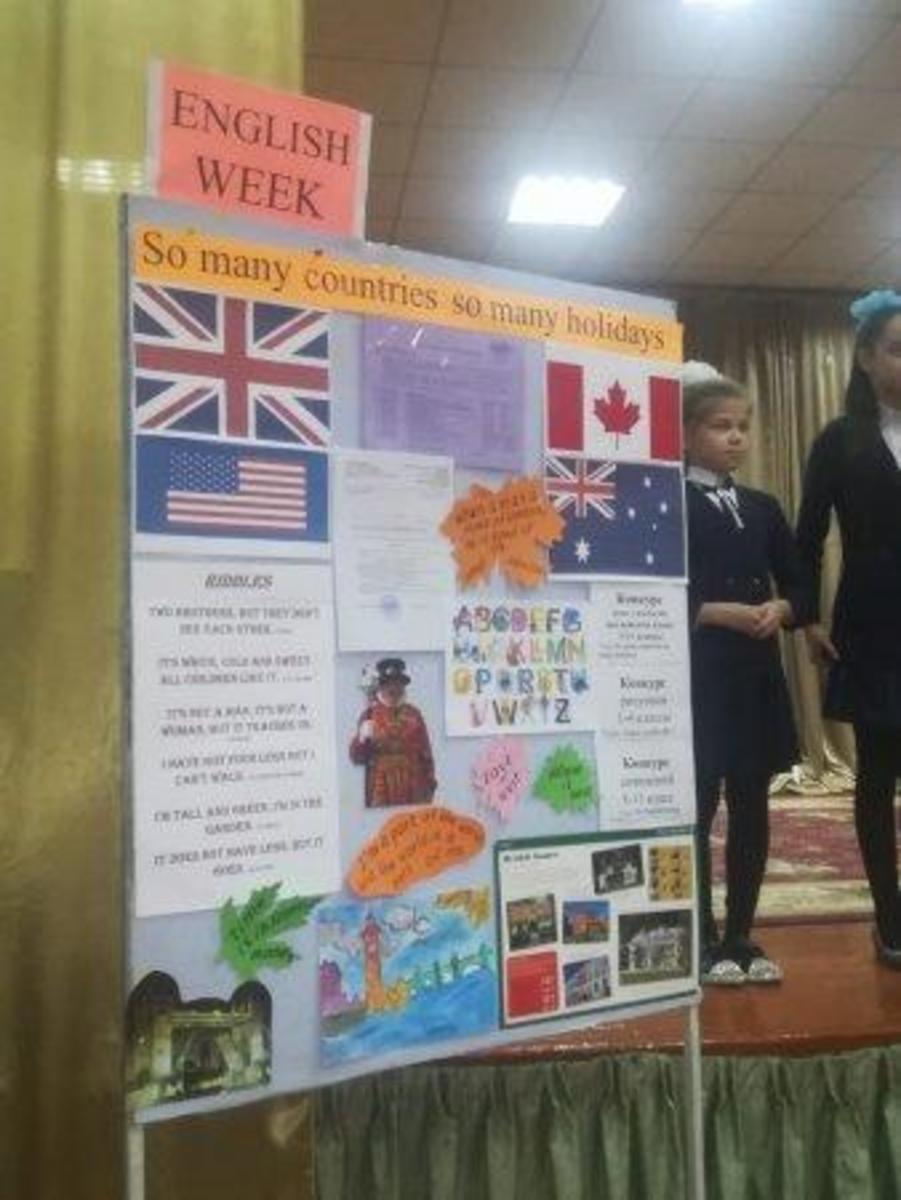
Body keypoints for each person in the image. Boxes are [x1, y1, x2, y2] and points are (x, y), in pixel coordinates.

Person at [683, 363, 807, 985]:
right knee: (699, 806)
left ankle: (741, 934)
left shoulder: (762, 507)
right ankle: (702, 935)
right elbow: (655, 590)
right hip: (701, 676)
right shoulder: (670, 503)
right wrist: (713, 611)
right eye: (719, 425)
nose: (735, 437)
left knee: (752, 804)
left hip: (755, 677)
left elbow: (801, 585)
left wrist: (782, 609)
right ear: (686, 434)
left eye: (742, 426)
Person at [796, 290, 901, 969]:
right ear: (865, 358)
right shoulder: (839, 439)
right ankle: (889, 918)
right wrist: (806, 616)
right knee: (878, 772)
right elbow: (807, 535)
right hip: (874, 619)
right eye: (897, 349)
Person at [349, 657, 437, 807]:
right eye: (389, 684)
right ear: (381, 687)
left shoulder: (414, 714)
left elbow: (426, 754)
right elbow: (357, 757)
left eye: (398, 684)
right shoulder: (370, 715)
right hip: (380, 787)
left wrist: (429, 786)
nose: (394, 689)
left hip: (413, 786)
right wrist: (361, 739)